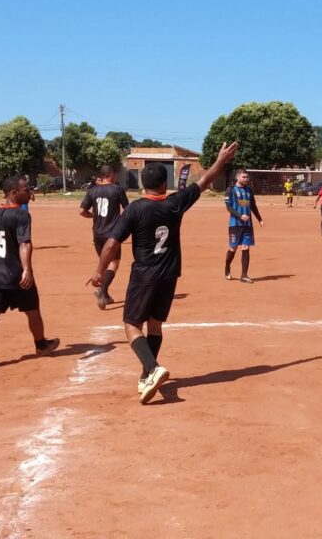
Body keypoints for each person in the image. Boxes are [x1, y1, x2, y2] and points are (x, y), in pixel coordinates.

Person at [89, 141, 239, 404]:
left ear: (143, 184)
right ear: (163, 184)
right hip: (169, 274)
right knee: (155, 323)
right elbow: (203, 182)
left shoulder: (135, 208)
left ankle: (153, 367)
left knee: (131, 325)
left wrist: (99, 271)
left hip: (144, 274)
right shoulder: (175, 204)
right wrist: (220, 161)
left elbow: (112, 243)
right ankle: (148, 373)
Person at [0, 176, 61, 370]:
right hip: (16, 274)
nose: (29, 192)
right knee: (33, 311)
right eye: (26, 189)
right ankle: (41, 345)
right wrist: (27, 270)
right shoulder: (22, 215)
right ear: (14, 193)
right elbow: (24, 243)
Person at [79, 165, 129, 308]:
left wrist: (93, 215)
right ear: (111, 175)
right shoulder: (117, 190)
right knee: (114, 263)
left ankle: (105, 295)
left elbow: (82, 211)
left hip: (97, 233)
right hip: (112, 234)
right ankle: (102, 289)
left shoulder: (92, 190)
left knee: (104, 262)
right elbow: (127, 210)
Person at [224, 168, 264, 283]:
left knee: (246, 248)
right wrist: (240, 216)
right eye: (244, 177)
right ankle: (227, 267)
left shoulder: (249, 191)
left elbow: (253, 207)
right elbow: (229, 207)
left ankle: (244, 275)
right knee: (233, 248)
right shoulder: (230, 190)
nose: (246, 179)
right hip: (235, 225)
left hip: (248, 225)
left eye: (247, 177)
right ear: (237, 177)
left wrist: (260, 219)